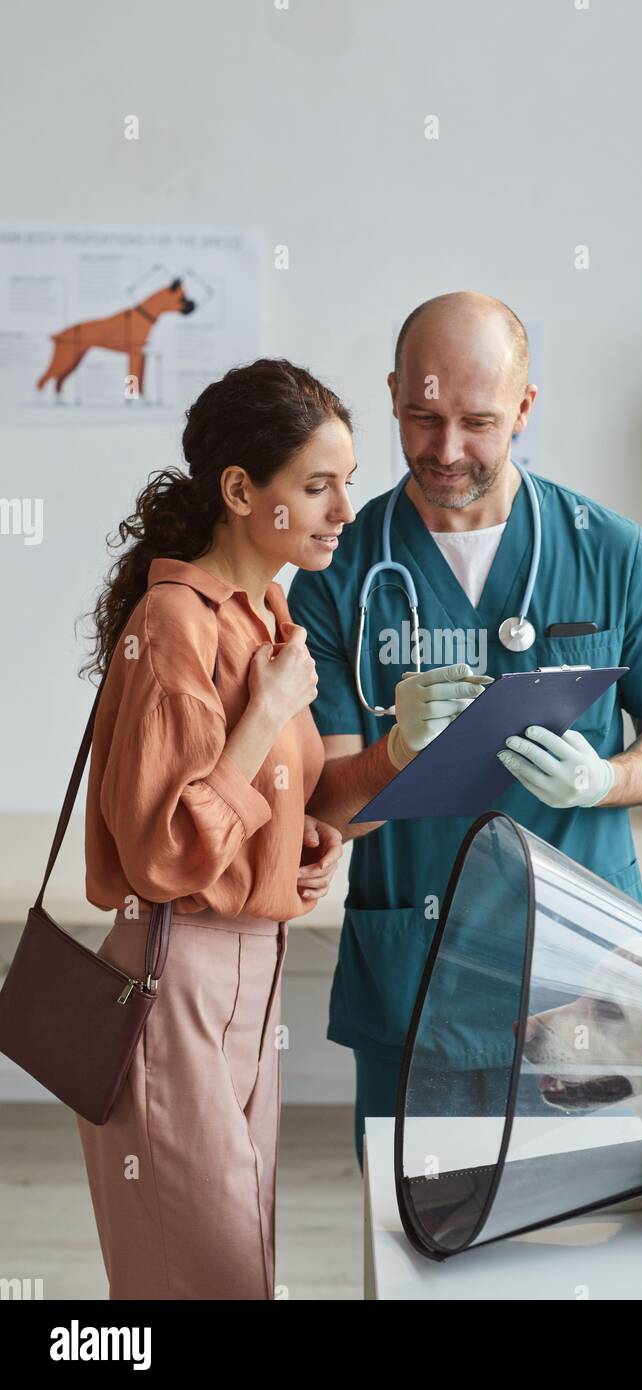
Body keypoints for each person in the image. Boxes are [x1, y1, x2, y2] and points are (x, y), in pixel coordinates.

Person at [288, 292, 642, 1171]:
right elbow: (328, 813)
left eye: (479, 422)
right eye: (423, 417)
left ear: (524, 408)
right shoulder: (339, 576)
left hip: (588, 980)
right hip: (419, 971)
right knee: (415, 1240)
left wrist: (608, 779)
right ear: (394, 394)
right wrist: (394, 755)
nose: (447, 451)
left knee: (578, 1239)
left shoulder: (615, 554)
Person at [76, 358, 355, 1299]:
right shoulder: (175, 624)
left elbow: (260, 796)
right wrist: (266, 714)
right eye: (317, 486)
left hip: (251, 969)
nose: (342, 509)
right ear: (242, 490)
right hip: (173, 972)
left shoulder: (268, 614)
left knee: (242, 1272)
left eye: (345, 483)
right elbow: (161, 854)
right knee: (203, 1282)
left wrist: (297, 842)